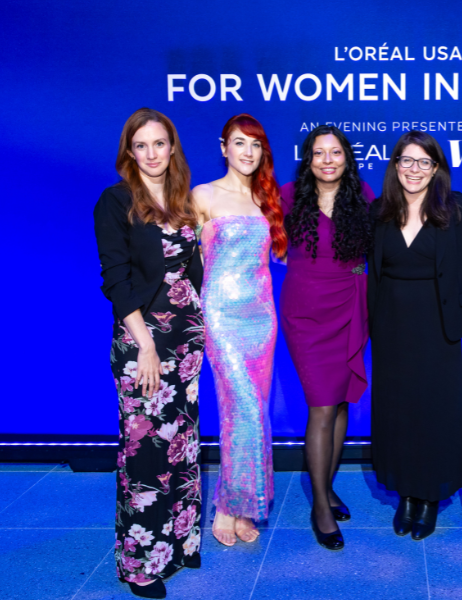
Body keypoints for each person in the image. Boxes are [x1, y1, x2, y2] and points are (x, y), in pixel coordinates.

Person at [93, 108, 203, 599]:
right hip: (145, 342)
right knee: (145, 454)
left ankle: (179, 542)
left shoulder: (183, 200)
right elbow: (115, 281)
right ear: (129, 152)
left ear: (172, 146)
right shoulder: (115, 202)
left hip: (188, 340)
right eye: (142, 146)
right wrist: (146, 347)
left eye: (160, 143)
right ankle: (140, 564)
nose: (152, 153)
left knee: (182, 443)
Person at [368, 130, 462, 541]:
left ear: (436, 169)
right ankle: (407, 494)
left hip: (438, 328)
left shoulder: (454, 208)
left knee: (435, 411)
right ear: (394, 165)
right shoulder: (379, 211)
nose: (414, 170)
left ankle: (430, 496)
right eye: (406, 161)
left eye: (424, 162)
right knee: (398, 412)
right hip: (390, 328)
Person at [192, 114, 286, 547]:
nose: (247, 152)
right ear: (223, 146)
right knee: (240, 410)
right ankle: (228, 505)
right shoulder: (203, 195)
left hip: (262, 320)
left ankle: (245, 504)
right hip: (222, 320)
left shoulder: (267, 200)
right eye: (239, 143)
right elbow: (185, 264)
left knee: (254, 414)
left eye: (255, 145)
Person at [280, 126, 374, 550]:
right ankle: (319, 504)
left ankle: (328, 486)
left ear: (346, 158)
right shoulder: (286, 196)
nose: (328, 160)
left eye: (335, 152)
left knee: (339, 402)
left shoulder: (364, 196)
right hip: (305, 311)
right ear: (308, 159)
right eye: (319, 153)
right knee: (320, 404)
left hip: (350, 304)